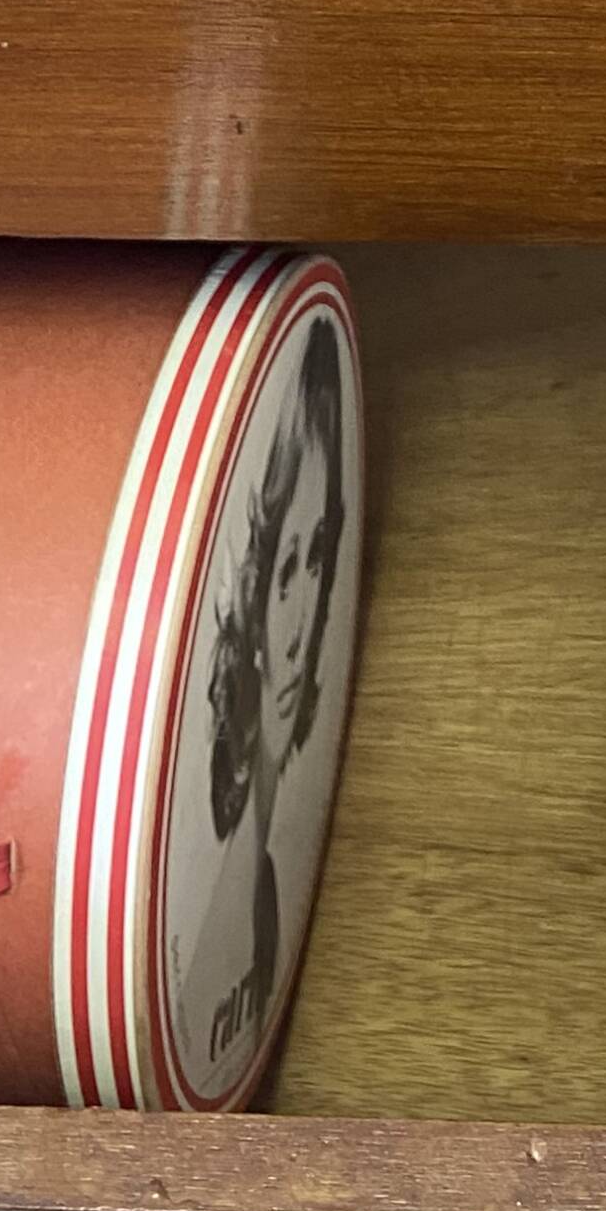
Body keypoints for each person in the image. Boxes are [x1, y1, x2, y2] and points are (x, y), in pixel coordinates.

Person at [187, 315, 351, 1086]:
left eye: (319, 558)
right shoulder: (212, 934)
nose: (301, 623)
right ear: (250, 604)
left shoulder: (264, 897)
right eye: (285, 568)